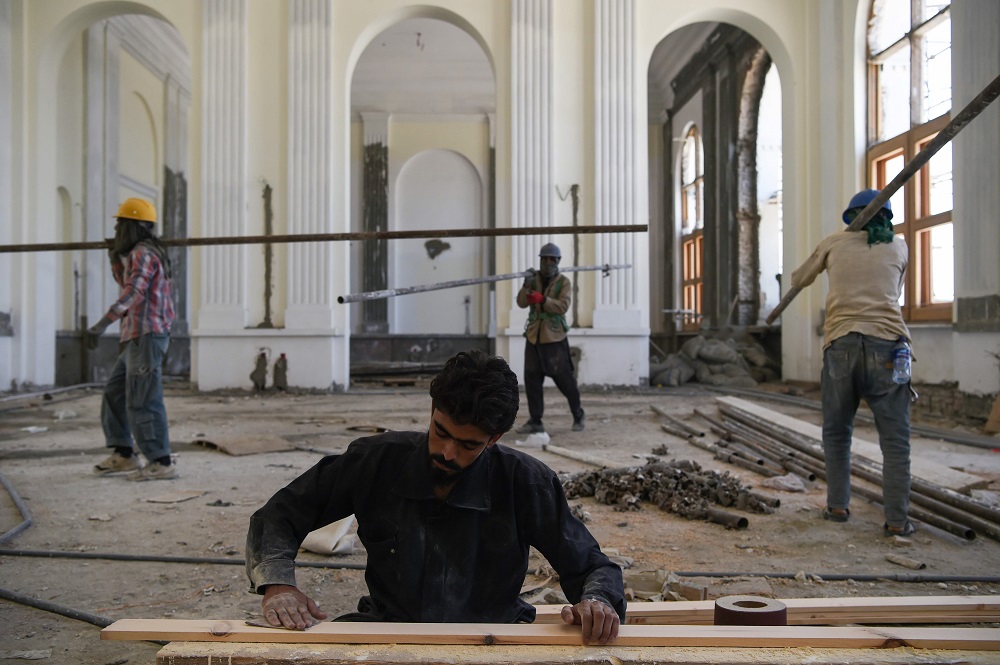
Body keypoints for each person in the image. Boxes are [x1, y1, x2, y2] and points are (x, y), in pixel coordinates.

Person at [246, 350, 624, 644]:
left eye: (467, 444)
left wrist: (598, 602)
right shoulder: (374, 461)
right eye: (440, 431)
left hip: (496, 639)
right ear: (432, 409)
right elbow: (279, 515)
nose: (446, 452)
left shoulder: (527, 482)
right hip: (388, 630)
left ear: (495, 439)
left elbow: (594, 567)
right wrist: (278, 584)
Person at [791, 188, 915, 537]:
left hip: (841, 345)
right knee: (895, 440)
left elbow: (799, 280)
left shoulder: (834, 243)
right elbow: (896, 292)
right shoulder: (900, 245)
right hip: (889, 347)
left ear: (851, 216)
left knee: (836, 431)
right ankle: (896, 522)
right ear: (886, 217)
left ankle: (838, 507)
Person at [85, 197, 177, 481]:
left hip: (146, 336)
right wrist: (114, 257)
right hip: (136, 336)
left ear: (134, 227)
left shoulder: (143, 253)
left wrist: (102, 324)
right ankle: (124, 455)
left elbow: (133, 294)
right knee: (115, 393)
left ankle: (161, 462)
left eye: (120, 226)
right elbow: (129, 285)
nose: (116, 232)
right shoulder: (140, 253)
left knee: (143, 399)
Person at [515, 243, 585, 433]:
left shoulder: (564, 282)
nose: (547, 262)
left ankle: (578, 414)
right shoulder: (534, 279)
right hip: (534, 336)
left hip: (554, 338)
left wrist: (543, 300)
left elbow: (563, 306)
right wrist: (525, 284)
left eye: (551, 259)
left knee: (565, 379)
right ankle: (535, 421)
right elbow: (521, 303)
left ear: (558, 261)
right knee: (532, 379)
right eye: (544, 259)